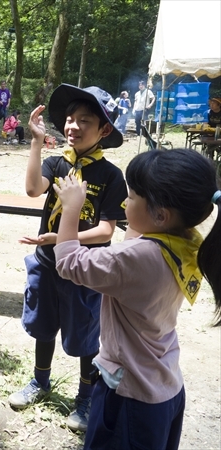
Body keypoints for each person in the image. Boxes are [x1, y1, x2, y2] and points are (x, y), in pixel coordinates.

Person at [53, 149, 221, 449]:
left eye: (130, 198)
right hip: (164, 385)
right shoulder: (187, 239)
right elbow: (136, 244)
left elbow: (69, 262)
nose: (124, 202)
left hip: (129, 395)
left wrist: (71, 208)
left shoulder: (137, 258)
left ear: (161, 214)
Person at [10, 84, 127, 432]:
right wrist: (35, 141)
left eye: (84, 121)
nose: (73, 126)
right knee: (43, 326)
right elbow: (33, 190)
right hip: (47, 263)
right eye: (70, 119)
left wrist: (65, 238)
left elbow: (106, 230)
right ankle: (40, 382)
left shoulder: (110, 176)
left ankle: (85, 397)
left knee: (86, 337)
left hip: (85, 271)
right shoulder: (57, 162)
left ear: (104, 130)